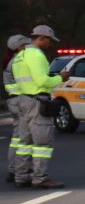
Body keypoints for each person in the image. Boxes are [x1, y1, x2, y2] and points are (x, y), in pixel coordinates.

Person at [10, 24, 68, 189]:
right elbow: (42, 81)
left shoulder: (20, 55)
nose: (50, 44)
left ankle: (21, 177)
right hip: (37, 102)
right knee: (42, 143)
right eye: (50, 40)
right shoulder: (36, 54)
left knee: (24, 142)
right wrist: (60, 78)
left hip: (23, 100)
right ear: (42, 38)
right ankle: (40, 179)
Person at [4, 34, 33, 183]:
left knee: (17, 138)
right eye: (26, 45)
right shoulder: (18, 61)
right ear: (20, 47)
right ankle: (18, 170)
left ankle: (13, 170)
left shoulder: (10, 60)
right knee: (23, 138)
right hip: (20, 100)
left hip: (13, 101)